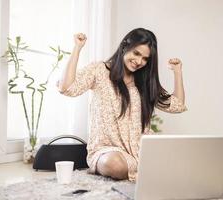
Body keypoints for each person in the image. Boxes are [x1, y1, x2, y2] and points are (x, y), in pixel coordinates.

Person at [57, 28, 187, 181]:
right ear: (125, 46)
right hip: (107, 152)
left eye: (145, 59)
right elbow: (66, 88)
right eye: (136, 53)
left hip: (142, 151)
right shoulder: (99, 70)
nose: (139, 62)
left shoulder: (144, 82)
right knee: (115, 165)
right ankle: (147, 174)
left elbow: (177, 106)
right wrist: (77, 48)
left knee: (182, 158)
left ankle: (146, 171)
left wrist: (177, 72)